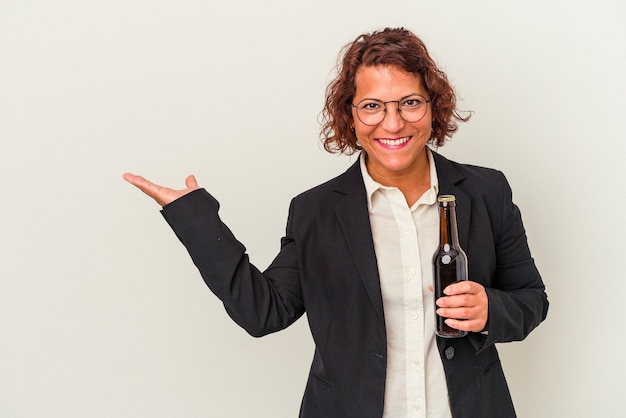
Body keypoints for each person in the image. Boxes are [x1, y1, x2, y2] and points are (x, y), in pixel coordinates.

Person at [123, 27, 548, 418]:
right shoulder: (316, 211)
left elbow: (531, 300)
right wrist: (195, 220)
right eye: (372, 106)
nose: (393, 122)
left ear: (433, 107)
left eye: (410, 102)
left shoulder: (486, 191)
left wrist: (492, 309)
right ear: (350, 115)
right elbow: (263, 312)